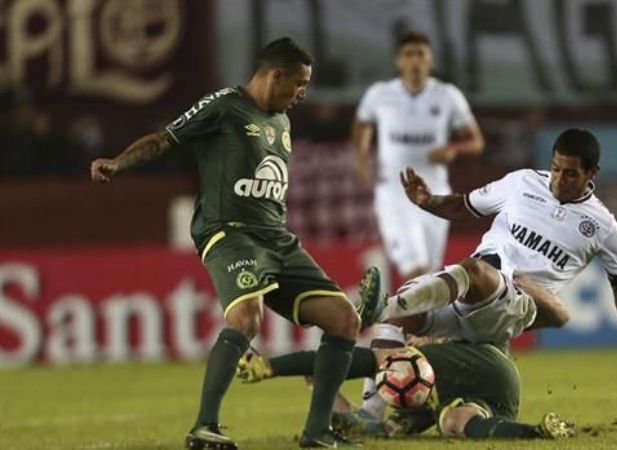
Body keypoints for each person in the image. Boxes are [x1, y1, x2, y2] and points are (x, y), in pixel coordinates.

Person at [90, 37, 381, 449]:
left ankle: (318, 432)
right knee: (246, 318)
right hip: (229, 233)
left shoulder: (281, 121)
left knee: (344, 320)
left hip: (277, 239)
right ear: (275, 74)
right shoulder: (224, 105)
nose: (302, 93)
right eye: (299, 84)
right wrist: (118, 163)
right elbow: (164, 138)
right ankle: (204, 427)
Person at [364, 128, 617, 418]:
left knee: (469, 271)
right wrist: (428, 201)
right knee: (394, 323)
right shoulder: (522, 182)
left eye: (571, 173)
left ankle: (383, 304)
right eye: (556, 168)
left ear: (593, 173)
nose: (559, 179)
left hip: (514, 305)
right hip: (469, 292)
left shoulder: (605, 228)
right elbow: (464, 206)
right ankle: (371, 416)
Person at [235, 341, 575, 441]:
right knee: (454, 419)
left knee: (451, 422)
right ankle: (537, 431)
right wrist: (325, 389)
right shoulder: (407, 359)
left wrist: (274, 367)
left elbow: (338, 359)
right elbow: (369, 425)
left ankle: (535, 432)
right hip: (496, 371)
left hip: (483, 372)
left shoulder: (397, 363)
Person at [353, 30, 485, 282]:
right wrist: (361, 157)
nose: (415, 60)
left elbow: (476, 141)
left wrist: (452, 149)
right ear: (399, 61)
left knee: (430, 275)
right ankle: (400, 321)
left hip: (434, 193)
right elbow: (362, 123)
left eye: (421, 54)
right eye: (408, 54)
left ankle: (412, 320)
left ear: (430, 60)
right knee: (414, 269)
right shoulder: (380, 94)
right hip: (393, 193)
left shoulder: (447, 96)